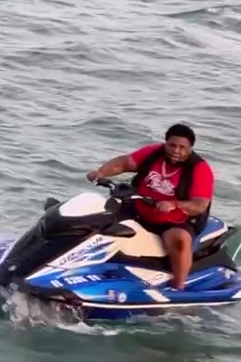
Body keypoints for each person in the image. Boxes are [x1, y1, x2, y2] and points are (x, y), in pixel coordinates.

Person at [87, 123, 215, 289]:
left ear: (190, 148)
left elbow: (199, 205)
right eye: (172, 145)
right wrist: (100, 173)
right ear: (166, 143)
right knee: (99, 220)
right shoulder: (153, 153)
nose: (176, 151)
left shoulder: (200, 169)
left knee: (180, 242)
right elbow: (123, 163)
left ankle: (178, 286)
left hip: (173, 220)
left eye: (182, 147)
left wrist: (174, 204)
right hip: (138, 208)